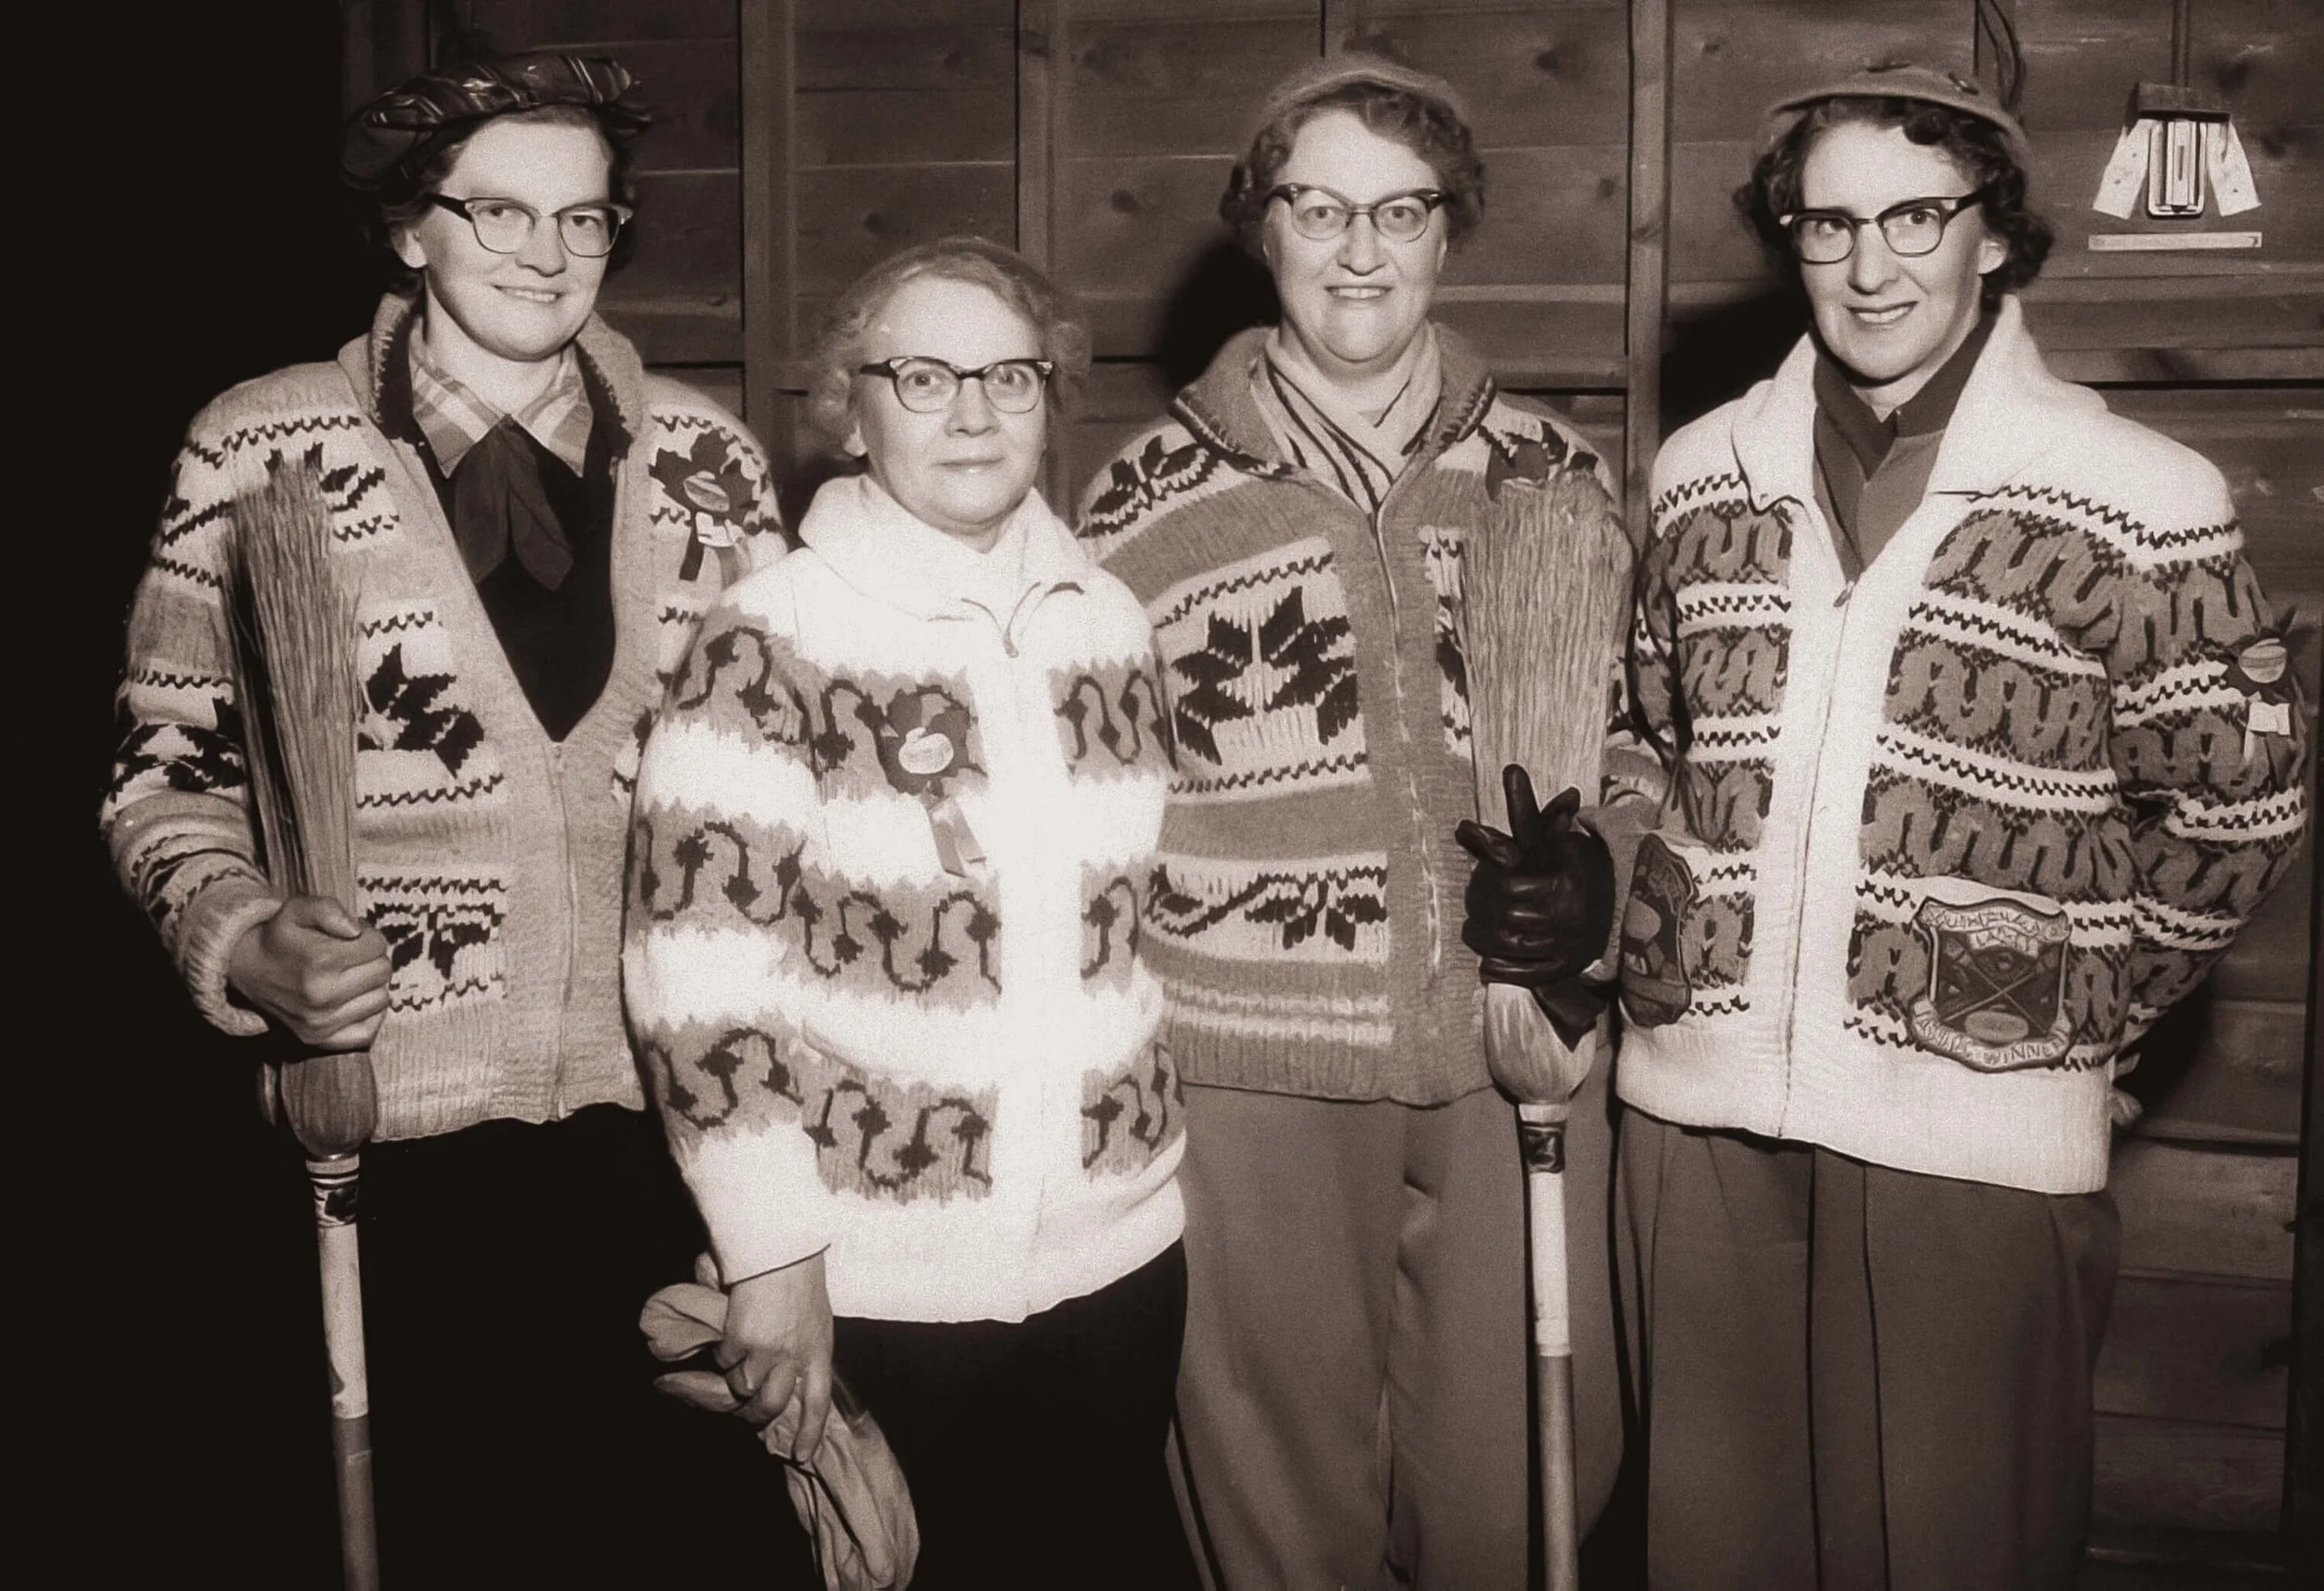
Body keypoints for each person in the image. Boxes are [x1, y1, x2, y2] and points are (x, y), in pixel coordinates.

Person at [1599, 63, 2310, 1589]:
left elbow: (2239, 803)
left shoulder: (2138, 493)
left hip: (1974, 1141)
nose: (1872, 266)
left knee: (1951, 1547)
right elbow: (1652, 735)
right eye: (1828, 223)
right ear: (1787, 239)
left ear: (1994, 232)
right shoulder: (1698, 471)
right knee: (1709, 1549)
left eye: (1916, 217)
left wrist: (2086, 1017)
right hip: (1698, 1118)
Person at [100, 52, 786, 1585]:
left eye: (585, 219)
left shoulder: (711, 464)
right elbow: (164, 777)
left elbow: (783, 805)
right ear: (411, 228)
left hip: (667, 1132)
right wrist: (243, 935)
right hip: (384, 1147)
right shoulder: (260, 447)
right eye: (497, 212)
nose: (545, 255)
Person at [1078, 53, 1624, 1589]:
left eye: (1403, 209)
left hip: (1512, 1044)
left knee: (1516, 1490)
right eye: (1321, 207)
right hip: (1249, 1070)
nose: (1362, 248)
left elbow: (1644, 740)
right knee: (1274, 1494)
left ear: (1452, 233)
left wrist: (1602, 874)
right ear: (1266, 229)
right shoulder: (1143, 499)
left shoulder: (1553, 473)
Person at [624, 235, 1196, 1590]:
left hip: (1120, 1254)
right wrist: (772, 1251)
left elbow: (1129, 932)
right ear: (850, 402)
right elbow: (695, 974)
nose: (976, 410)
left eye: (1012, 373)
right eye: (924, 375)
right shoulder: (771, 634)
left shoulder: (1108, 619)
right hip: (872, 1275)